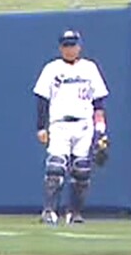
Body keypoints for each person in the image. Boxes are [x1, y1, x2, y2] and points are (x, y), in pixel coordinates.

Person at [33, 28, 109, 226]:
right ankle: (49, 210)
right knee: (56, 167)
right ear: (60, 47)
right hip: (59, 123)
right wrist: (41, 127)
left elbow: (98, 101)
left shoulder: (90, 68)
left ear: (79, 46)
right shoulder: (52, 68)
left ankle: (74, 212)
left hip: (84, 124)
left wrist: (101, 130)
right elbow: (42, 99)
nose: (70, 49)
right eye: (66, 45)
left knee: (82, 170)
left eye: (73, 45)